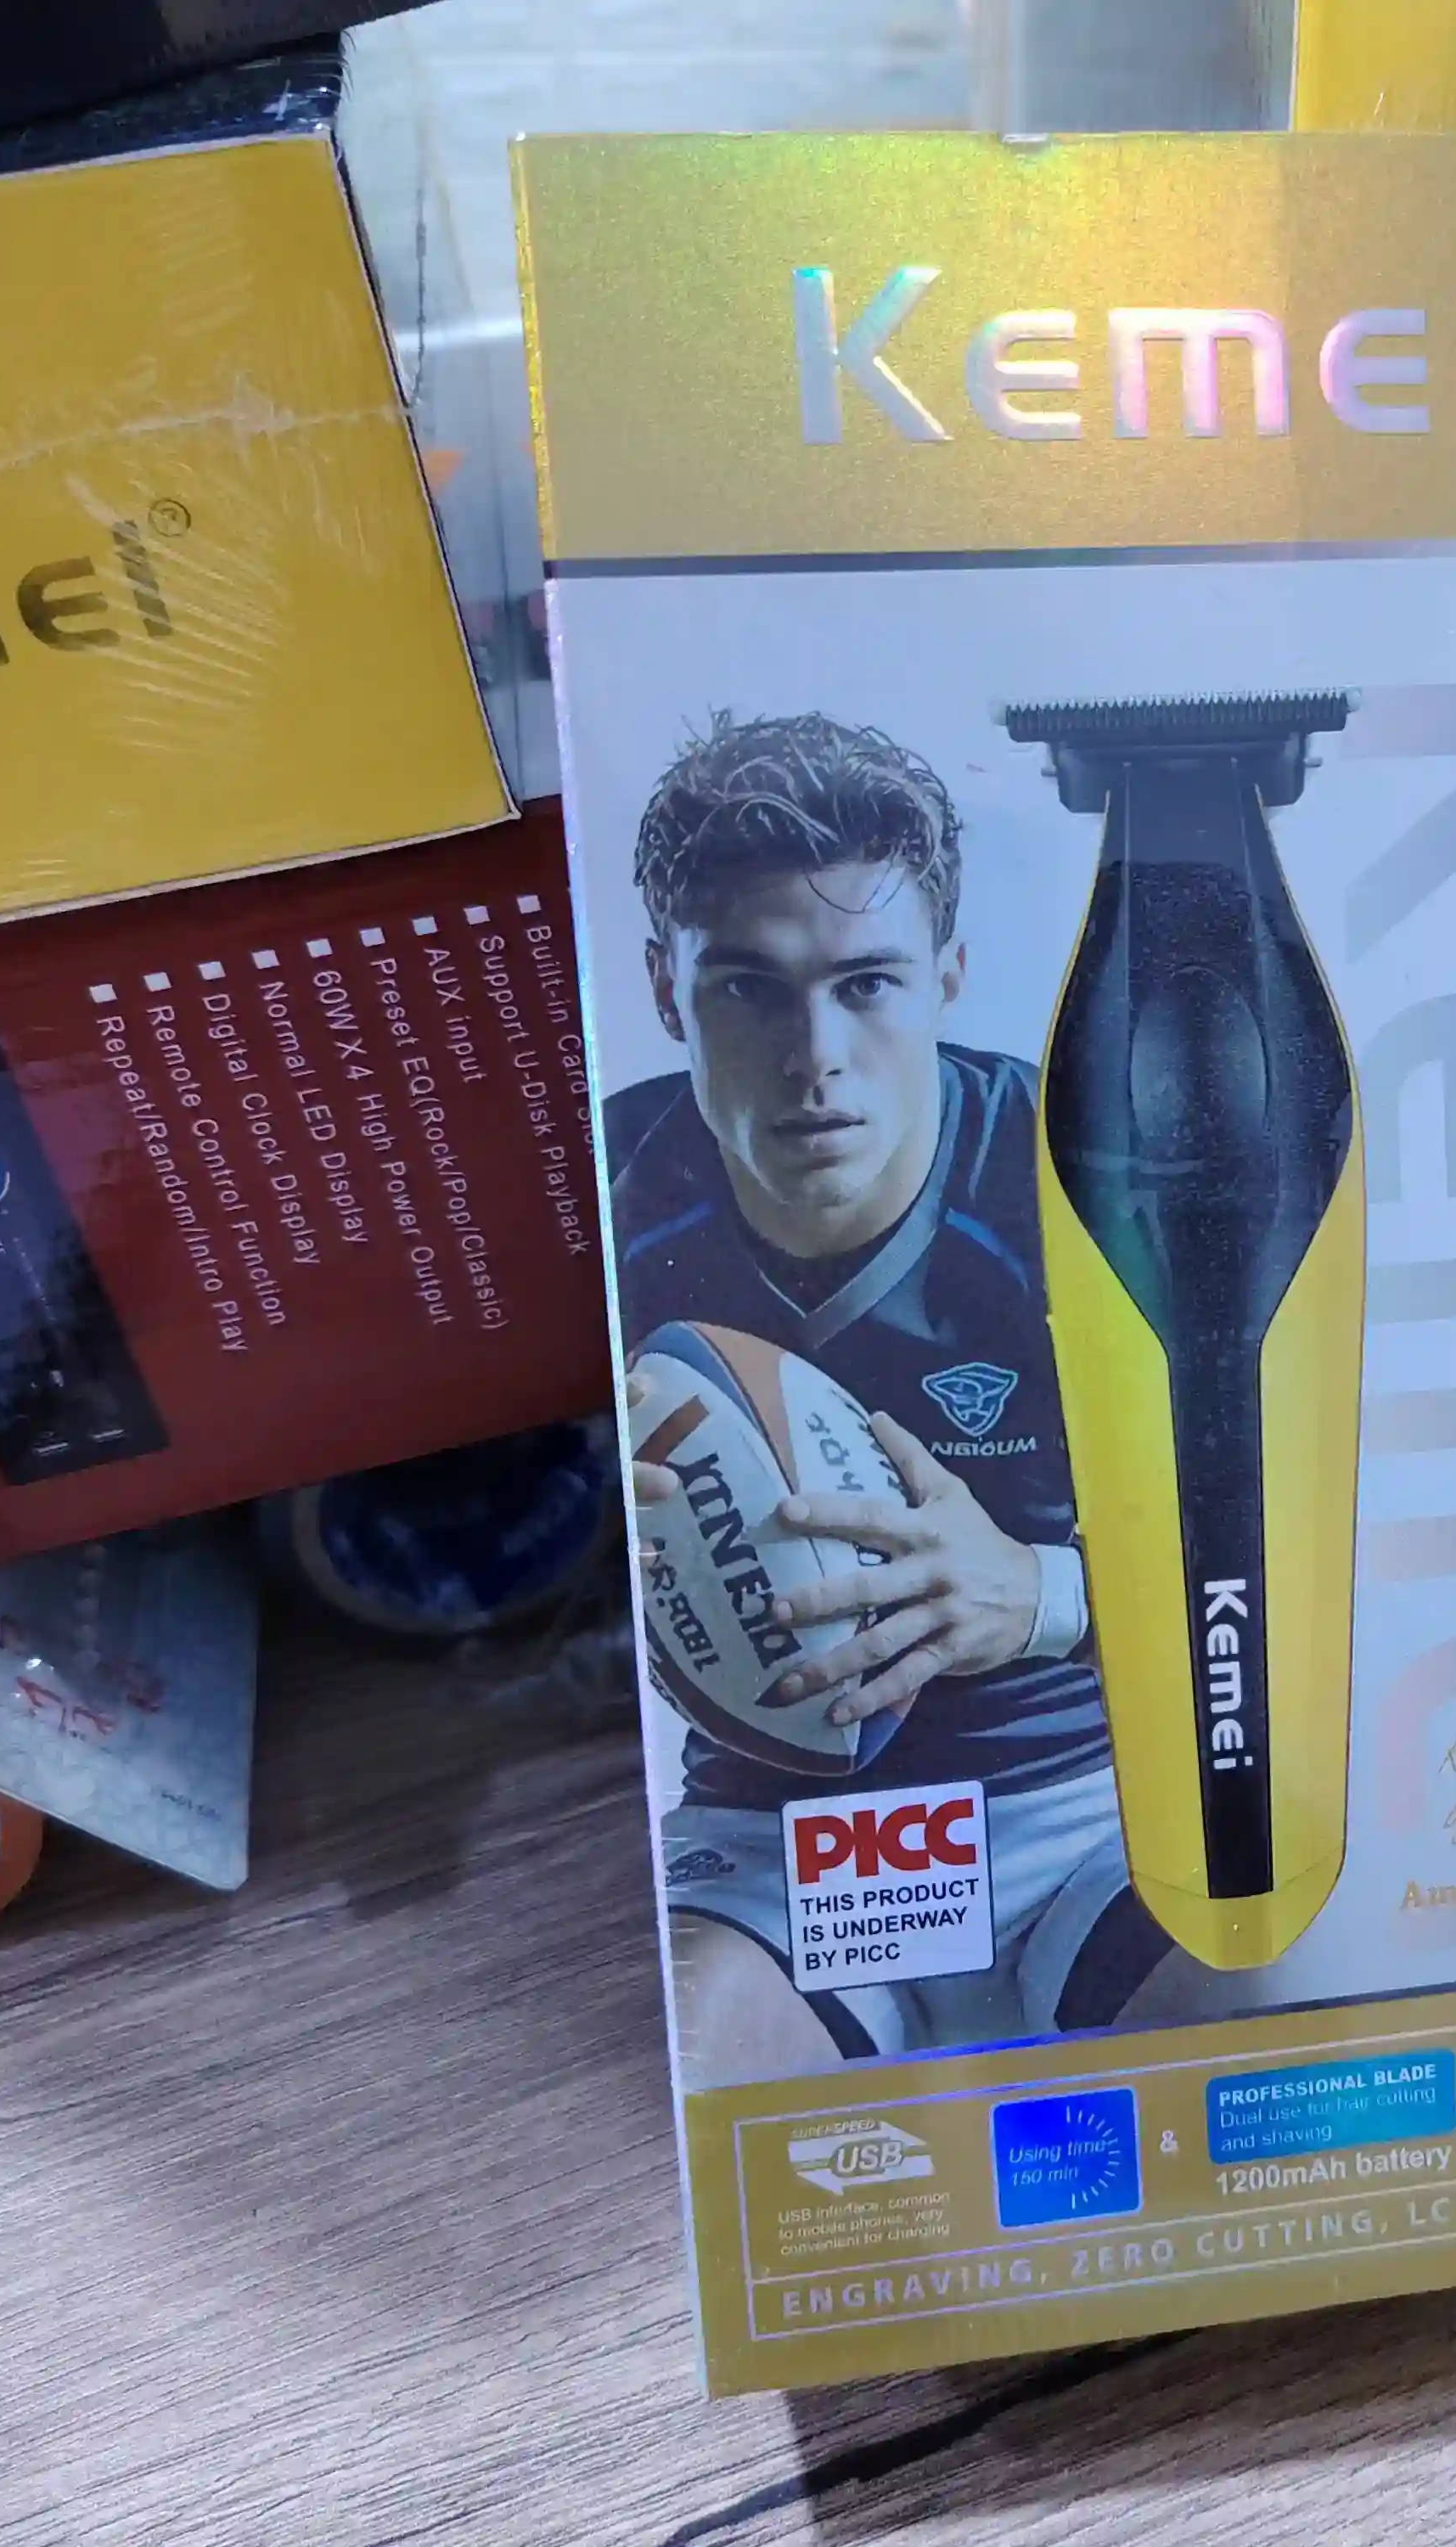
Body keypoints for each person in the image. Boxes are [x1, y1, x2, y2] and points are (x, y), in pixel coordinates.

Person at [608, 710, 1169, 2083]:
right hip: (781, 1845)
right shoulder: (595, 1205)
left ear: (950, 977)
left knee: (1291, 2036)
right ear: (668, 990)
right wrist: (580, 1543)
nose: (815, 1056)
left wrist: (1038, 1594)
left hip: (1094, 1815)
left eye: (866, 984)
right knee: (687, 2094)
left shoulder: (1089, 1188)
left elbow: (1302, 1563)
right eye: (748, 989)